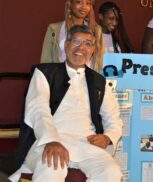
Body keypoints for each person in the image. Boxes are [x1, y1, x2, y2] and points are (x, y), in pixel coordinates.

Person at [10, 25, 123, 182]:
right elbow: (38, 110)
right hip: (49, 140)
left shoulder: (99, 82)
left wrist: (107, 137)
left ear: (92, 50)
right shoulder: (44, 73)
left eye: (88, 44)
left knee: (111, 172)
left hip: (86, 145)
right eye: (76, 41)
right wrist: (51, 140)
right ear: (66, 45)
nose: (81, 47)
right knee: (52, 168)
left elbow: (114, 118)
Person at [40, 0, 104, 72]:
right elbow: (45, 60)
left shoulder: (96, 30)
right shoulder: (54, 29)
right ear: (70, 4)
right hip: (60, 81)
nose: (84, 7)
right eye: (79, 2)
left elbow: (100, 59)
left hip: (87, 81)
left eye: (88, 3)